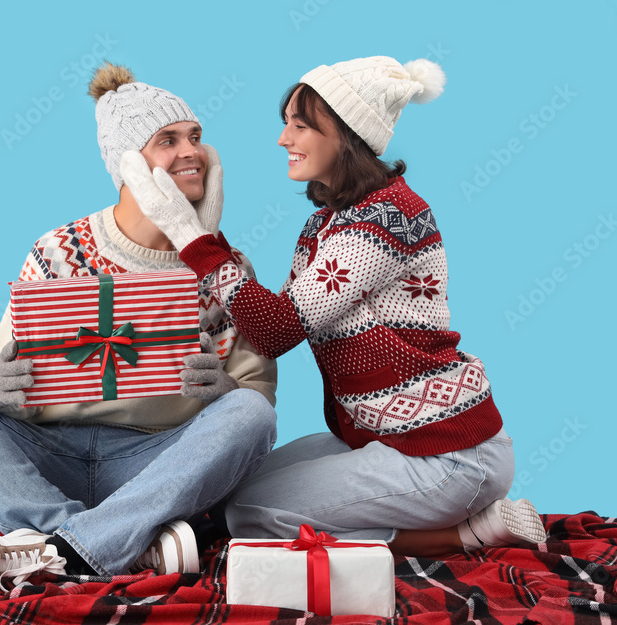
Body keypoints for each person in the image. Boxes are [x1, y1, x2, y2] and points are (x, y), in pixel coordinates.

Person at [121, 55, 546, 556]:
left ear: (345, 134)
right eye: (286, 125)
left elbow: (277, 330)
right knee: (229, 487)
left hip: (450, 454)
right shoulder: (327, 223)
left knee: (247, 513)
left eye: (300, 126)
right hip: (384, 437)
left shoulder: (385, 220)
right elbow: (266, 322)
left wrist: (191, 233)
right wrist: (208, 232)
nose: (284, 139)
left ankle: (469, 532)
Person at [0, 61, 278, 587]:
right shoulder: (57, 250)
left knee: (249, 414)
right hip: (52, 452)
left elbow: (256, 397)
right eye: (167, 140)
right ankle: (95, 541)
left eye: (195, 137)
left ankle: (56, 550)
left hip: (158, 461)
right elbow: (8, 368)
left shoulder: (226, 268)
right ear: (130, 164)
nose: (191, 151)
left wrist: (226, 385)